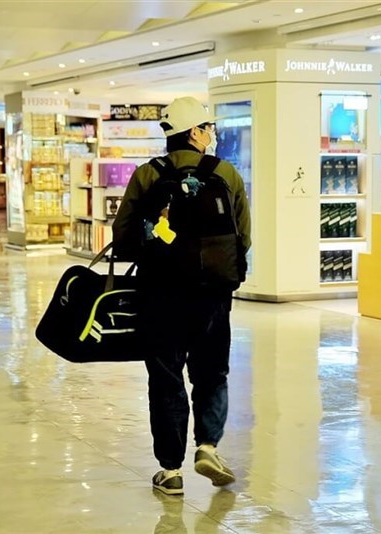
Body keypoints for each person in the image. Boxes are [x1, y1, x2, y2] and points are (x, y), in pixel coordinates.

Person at [113, 97, 251, 496]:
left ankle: (170, 470)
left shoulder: (146, 175)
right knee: (211, 372)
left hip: (161, 294)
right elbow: (244, 236)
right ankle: (207, 446)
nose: (212, 134)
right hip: (213, 296)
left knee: (166, 376)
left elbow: (123, 238)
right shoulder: (226, 173)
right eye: (208, 127)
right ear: (194, 132)